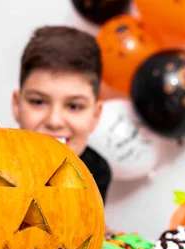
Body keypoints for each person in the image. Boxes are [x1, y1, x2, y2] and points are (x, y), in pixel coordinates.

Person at [11, 25, 117, 234]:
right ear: (17, 105)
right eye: (38, 101)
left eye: (74, 106)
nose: (54, 121)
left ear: (95, 115)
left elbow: (82, 234)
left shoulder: (96, 171)